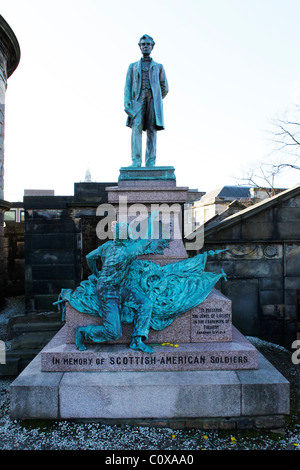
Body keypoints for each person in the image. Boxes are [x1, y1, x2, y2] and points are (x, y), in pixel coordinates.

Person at [75, 211, 166, 353]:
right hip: (107, 292)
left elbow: (89, 257)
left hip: (120, 289)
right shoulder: (128, 251)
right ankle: (83, 332)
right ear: (127, 235)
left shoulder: (107, 246)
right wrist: (152, 219)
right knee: (114, 333)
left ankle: (137, 340)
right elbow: (147, 239)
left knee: (146, 303)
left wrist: (96, 274)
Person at [124, 34, 169, 167]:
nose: (145, 47)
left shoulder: (159, 67)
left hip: (152, 101)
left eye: (148, 44)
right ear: (139, 46)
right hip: (137, 101)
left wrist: (156, 98)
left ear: (152, 46)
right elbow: (127, 86)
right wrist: (127, 101)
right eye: (143, 44)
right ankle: (136, 161)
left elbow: (165, 87)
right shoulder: (132, 67)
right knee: (136, 128)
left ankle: (150, 162)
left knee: (151, 130)